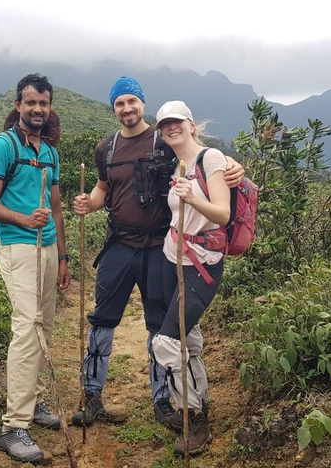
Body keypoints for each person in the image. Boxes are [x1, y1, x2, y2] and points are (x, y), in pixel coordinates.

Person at [71, 77, 244, 430]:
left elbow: (198, 155)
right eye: (119, 103)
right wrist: (89, 202)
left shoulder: (163, 141)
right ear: (113, 107)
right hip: (118, 245)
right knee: (102, 320)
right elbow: (104, 188)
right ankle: (91, 395)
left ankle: (162, 399)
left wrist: (234, 167)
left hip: (157, 249)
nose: (127, 108)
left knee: (157, 324)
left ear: (142, 103)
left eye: (132, 101)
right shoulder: (105, 148)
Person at [0, 73, 71, 463]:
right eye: (30, 102)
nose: (37, 109)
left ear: (50, 107)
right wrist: (22, 219)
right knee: (27, 328)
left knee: (44, 327)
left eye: (43, 103)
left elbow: (56, 206)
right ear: (18, 105)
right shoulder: (3, 146)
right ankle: (13, 427)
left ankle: (32, 404)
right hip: (18, 247)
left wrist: (63, 256)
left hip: (47, 248)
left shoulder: (49, 151)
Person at [151, 100, 230, 456]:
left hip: (202, 264)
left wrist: (192, 199)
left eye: (176, 122)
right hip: (173, 259)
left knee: (166, 343)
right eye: (165, 124)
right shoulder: (175, 164)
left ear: (191, 124)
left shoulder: (210, 159)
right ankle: (200, 402)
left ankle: (194, 416)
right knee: (189, 339)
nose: (171, 128)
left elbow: (223, 214)